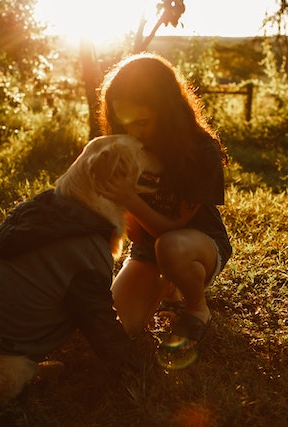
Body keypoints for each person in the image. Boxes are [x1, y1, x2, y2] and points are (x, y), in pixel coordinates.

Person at [97, 52, 232, 353]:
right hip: (149, 249)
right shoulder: (130, 149)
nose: (133, 132)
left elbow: (172, 229)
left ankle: (197, 307)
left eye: (142, 122)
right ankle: (169, 285)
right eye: (124, 122)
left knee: (170, 247)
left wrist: (129, 198)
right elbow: (137, 236)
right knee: (121, 327)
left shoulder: (200, 151)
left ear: (167, 110)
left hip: (198, 245)